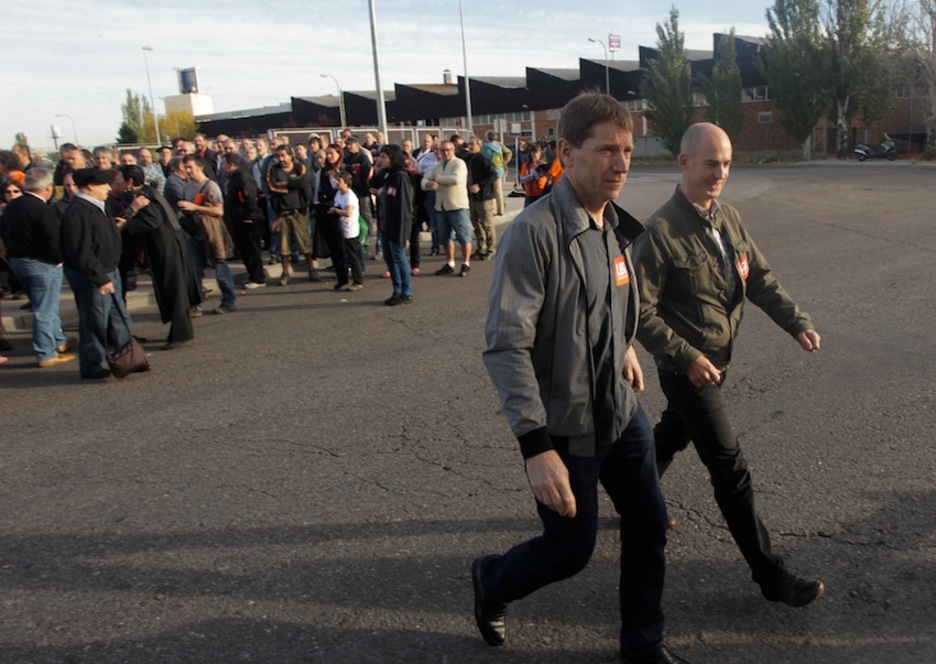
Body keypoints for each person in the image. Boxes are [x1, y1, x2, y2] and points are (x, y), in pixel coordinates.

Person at [474, 92, 687, 664]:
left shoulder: (613, 226)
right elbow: (506, 344)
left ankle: (644, 646)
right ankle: (491, 580)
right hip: (565, 426)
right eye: (607, 151)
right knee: (569, 551)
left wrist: (622, 346)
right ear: (566, 153)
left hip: (619, 409)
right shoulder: (534, 233)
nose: (622, 163)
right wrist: (535, 447)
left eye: (627, 151)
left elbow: (610, 303)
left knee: (650, 522)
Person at [632, 122, 825, 608]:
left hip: (719, 360)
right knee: (728, 466)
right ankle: (770, 575)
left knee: (673, 433)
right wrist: (687, 357)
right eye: (711, 164)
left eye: (726, 164)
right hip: (686, 369)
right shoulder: (659, 233)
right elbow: (638, 312)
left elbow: (758, 277)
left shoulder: (728, 219)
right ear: (684, 163)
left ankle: (634, 491)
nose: (720, 173)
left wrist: (795, 322)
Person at [60, 168, 134, 379]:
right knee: (95, 322)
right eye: (104, 184)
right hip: (94, 276)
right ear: (91, 186)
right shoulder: (79, 212)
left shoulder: (98, 206)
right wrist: (100, 279)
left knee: (119, 317)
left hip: (110, 269)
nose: (109, 188)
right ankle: (92, 364)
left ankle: (127, 357)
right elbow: (81, 251)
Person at [116, 165, 201, 350]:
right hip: (168, 245)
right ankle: (182, 331)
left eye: (120, 179)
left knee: (174, 288)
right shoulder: (146, 192)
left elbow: (153, 220)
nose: (118, 182)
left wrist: (127, 224)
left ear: (130, 181)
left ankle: (179, 334)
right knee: (175, 288)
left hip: (166, 248)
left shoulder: (143, 197)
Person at [0, 167, 76, 367]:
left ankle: (58, 339)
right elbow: (51, 239)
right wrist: (59, 259)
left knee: (43, 304)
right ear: (48, 187)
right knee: (45, 309)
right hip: (41, 263)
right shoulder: (43, 209)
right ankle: (46, 352)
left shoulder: (12, 206)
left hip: (18, 261)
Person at [178, 154, 237, 315]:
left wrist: (195, 207)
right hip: (194, 236)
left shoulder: (211, 186)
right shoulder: (187, 187)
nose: (187, 170)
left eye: (190, 167)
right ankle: (196, 306)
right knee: (194, 272)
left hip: (212, 234)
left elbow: (219, 211)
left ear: (200, 167)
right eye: (185, 167)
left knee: (220, 268)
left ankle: (228, 301)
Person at [266, 144, 318, 285]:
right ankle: (285, 273)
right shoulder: (273, 170)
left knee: (305, 243)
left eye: (283, 155)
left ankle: (311, 269)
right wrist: (292, 185)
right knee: (284, 246)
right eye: (278, 156)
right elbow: (272, 187)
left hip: (299, 211)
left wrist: (286, 183)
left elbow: (303, 183)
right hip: (282, 213)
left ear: (291, 155)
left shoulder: (299, 168)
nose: (281, 159)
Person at [421, 141, 473, 277]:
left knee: (464, 236)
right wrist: (428, 184)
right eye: (442, 150)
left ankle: (466, 263)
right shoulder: (438, 165)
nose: (445, 153)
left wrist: (438, 179)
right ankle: (450, 263)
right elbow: (424, 179)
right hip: (441, 206)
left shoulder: (459, 163)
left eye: (448, 150)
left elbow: (456, 179)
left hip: (457, 206)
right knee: (444, 238)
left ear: (453, 150)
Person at [372, 144, 414, 306]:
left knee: (399, 257)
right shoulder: (386, 174)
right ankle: (396, 289)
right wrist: (377, 169)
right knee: (389, 259)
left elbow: (403, 205)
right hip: (385, 223)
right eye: (380, 157)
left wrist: (402, 231)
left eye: (384, 157)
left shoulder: (400, 177)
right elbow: (372, 185)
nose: (381, 160)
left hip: (396, 225)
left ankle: (406, 291)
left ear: (393, 158)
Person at [222, 153, 266, 289]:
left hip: (248, 219)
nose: (222, 167)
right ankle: (252, 275)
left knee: (252, 249)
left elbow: (249, 197)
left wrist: (248, 216)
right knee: (244, 250)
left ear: (231, 164)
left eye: (223, 164)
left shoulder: (242, 177)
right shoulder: (233, 177)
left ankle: (258, 278)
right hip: (237, 219)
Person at [327, 171, 364, 292]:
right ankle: (342, 279)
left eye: (340, 180)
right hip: (339, 228)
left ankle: (358, 280)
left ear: (346, 183)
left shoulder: (350, 196)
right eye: (336, 180)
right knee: (339, 255)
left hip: (349, 229)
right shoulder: (339, 193)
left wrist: (335, 211)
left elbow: (348, 212)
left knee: (352, 256)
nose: (337, 183)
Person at [465, 135, 498, 260]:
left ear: (479, 145)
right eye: (469, 144)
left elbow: (493, 174)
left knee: (487, 224)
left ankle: (491, 249)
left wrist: (480, 185)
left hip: (483, 197)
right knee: (476, 223)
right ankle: (481, 247)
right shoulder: (469, 159)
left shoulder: (483, 159)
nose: (470, 146)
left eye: (472, 144)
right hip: (472, 197)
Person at [481, 130, 513, 216]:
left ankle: (494, 209)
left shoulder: (485, 147)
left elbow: (484, 158)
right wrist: (503, 163)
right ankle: (501, 209)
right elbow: (508, 153)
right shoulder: (499, 146)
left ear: (487, 137)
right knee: (499, 190)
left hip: (489, 171)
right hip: (499, 169)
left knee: (491, 190)